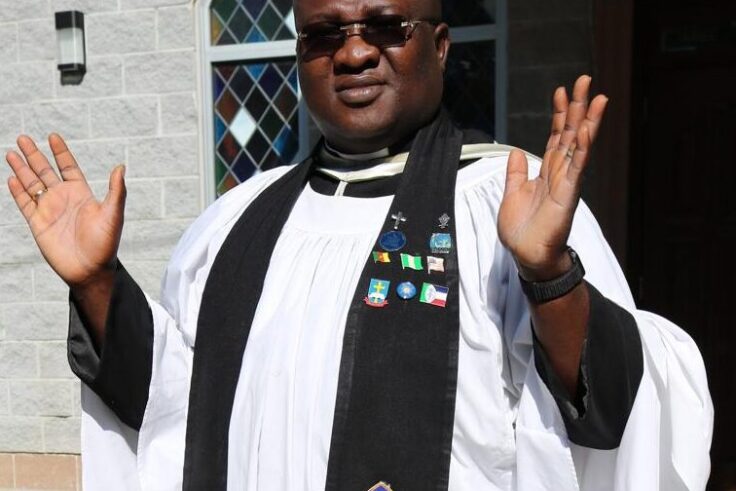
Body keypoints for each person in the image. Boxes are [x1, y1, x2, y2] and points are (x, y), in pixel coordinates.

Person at [4, 0, 713, 490]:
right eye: (324, 34)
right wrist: (97, 282)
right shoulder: (232, 224)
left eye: (385, 27)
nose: (352, 52)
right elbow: (170, 408)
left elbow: (616, 406)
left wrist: (549, 274)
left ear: (439, 46)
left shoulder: (514, 199)